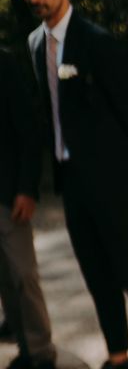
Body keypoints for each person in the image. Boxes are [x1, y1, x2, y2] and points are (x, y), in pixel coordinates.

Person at [16, 0, 128, 369]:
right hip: (71, 179)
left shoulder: (97, 43)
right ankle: (118, 355)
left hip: (110, 179)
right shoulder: (33, 44)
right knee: (95, 273)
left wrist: (123, 172)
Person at [0, 47, 56, 369]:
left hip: (8, 194)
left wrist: (26, 189)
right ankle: (25, 350)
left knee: (24, 274)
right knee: (4, 279)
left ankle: (42, 352)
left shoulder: (4, 63)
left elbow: (28, 130)